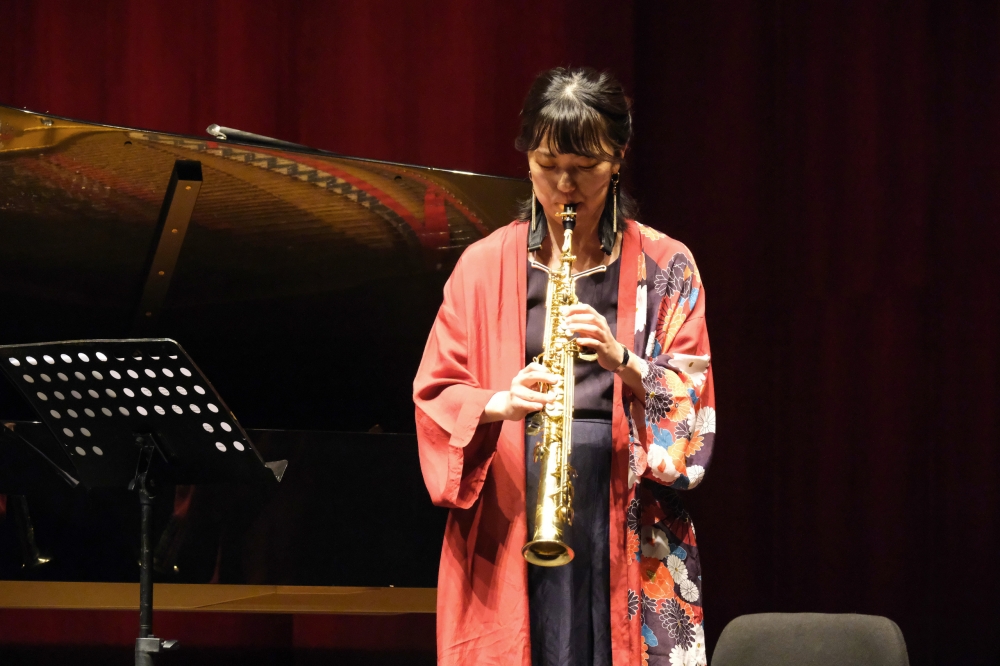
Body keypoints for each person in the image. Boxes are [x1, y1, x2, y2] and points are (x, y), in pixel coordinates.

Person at [413, 67, 715, 666]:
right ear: (527, 158)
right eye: (548, 164)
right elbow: (435, 394)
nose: (564, 185)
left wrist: (624, 360)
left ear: (618, 159)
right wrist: (500, 403)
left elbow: (693, 400)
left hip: (626, 520)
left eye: (585, 166)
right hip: (513, 519)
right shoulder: (482, 265)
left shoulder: (667, 263)